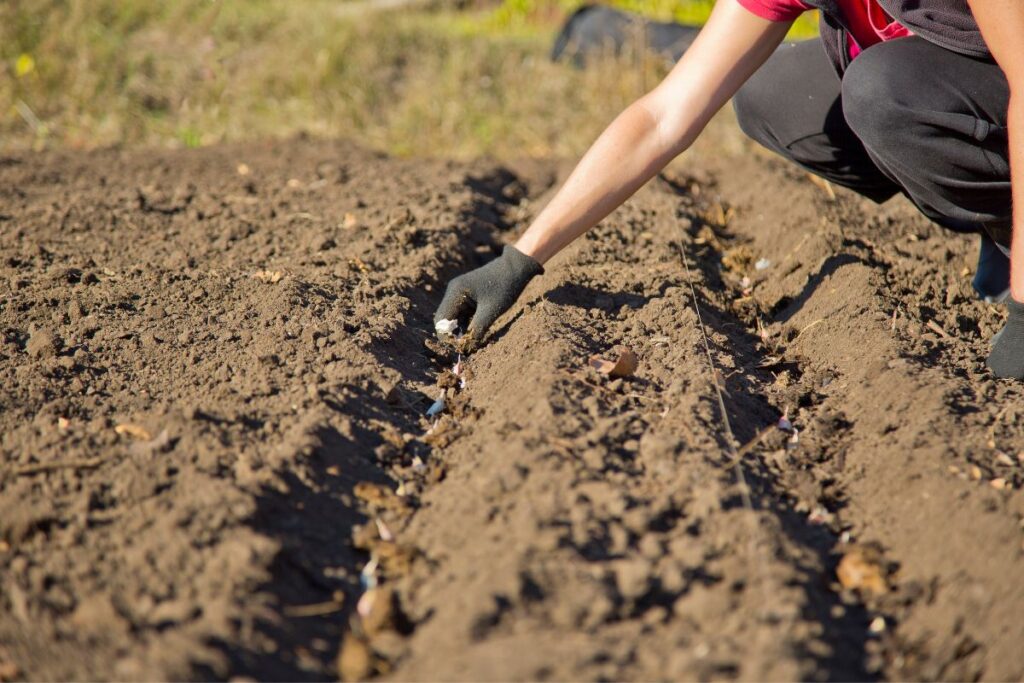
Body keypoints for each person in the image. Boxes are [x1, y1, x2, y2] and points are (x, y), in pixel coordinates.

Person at [434, 0, 1024, 379]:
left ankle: (1010, 239)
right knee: (773, 94)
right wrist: (519, 259)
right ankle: (993, 216)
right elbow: (664, 116)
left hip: (994, 85)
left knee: (881, 91)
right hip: (939, 86)